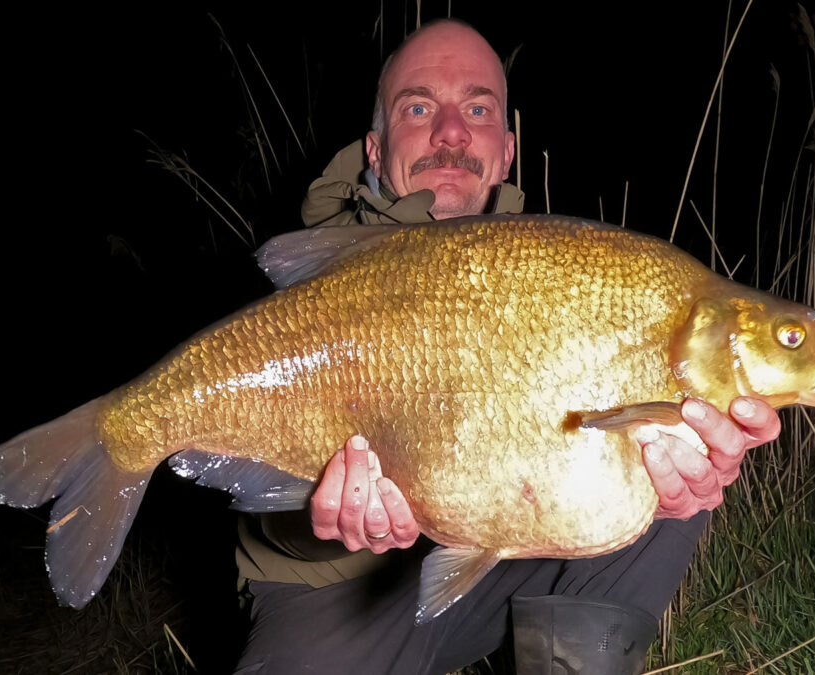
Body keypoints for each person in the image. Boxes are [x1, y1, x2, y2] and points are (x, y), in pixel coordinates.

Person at [234, 19, 780, 674]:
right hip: (332, 597)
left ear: (506, 149)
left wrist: (662, 485)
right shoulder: (326, 284)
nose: (452, 131)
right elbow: (256, 510)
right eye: (418, 106)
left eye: (477, 107)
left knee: (671, 440)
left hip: (488, 573)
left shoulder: (559, 274)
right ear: (375, 152)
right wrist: (316, 524)